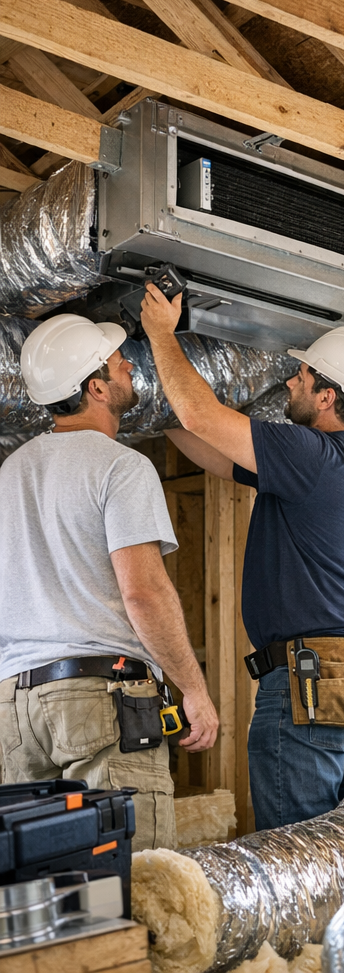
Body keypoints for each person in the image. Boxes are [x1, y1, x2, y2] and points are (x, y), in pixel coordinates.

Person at [139, 283, 344, 830]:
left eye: (302, 376)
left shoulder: (312, 452)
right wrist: (159, 415)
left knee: (294, 858)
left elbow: (204, 416)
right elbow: (216, 453)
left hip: (312, 678)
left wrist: (161, 335)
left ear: (328, 397)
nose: (291, 381)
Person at [0, 314, 218, 849]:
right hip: (99, 697)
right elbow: (144, 594)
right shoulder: (121, 467)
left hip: (12, 705)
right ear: (96, 388)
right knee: (132, 878)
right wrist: (192, 689)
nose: (127, 364)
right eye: (117, 361)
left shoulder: (10, 473)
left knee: (40, 890)